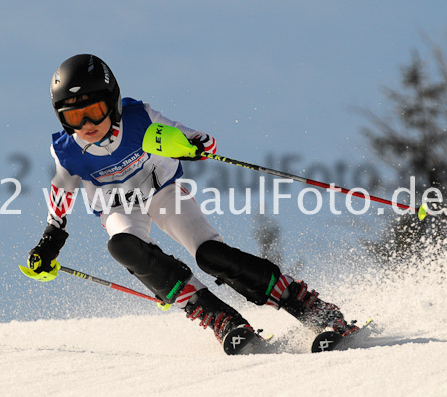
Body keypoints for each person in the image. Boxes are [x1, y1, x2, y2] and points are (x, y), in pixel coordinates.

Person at [26, 53, 355, 345]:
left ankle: (310, 307)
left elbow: (198, 139)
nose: (86, 125)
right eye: (74, 117)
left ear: (112, 102)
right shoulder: (66, 151)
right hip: (118, 207)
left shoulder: (141, 118)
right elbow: (61, 192)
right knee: (123, 246)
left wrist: (195, 146)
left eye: (95, 111)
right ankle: (220, 317)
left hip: (163, 192)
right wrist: (50, 240)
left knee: (211, 255)